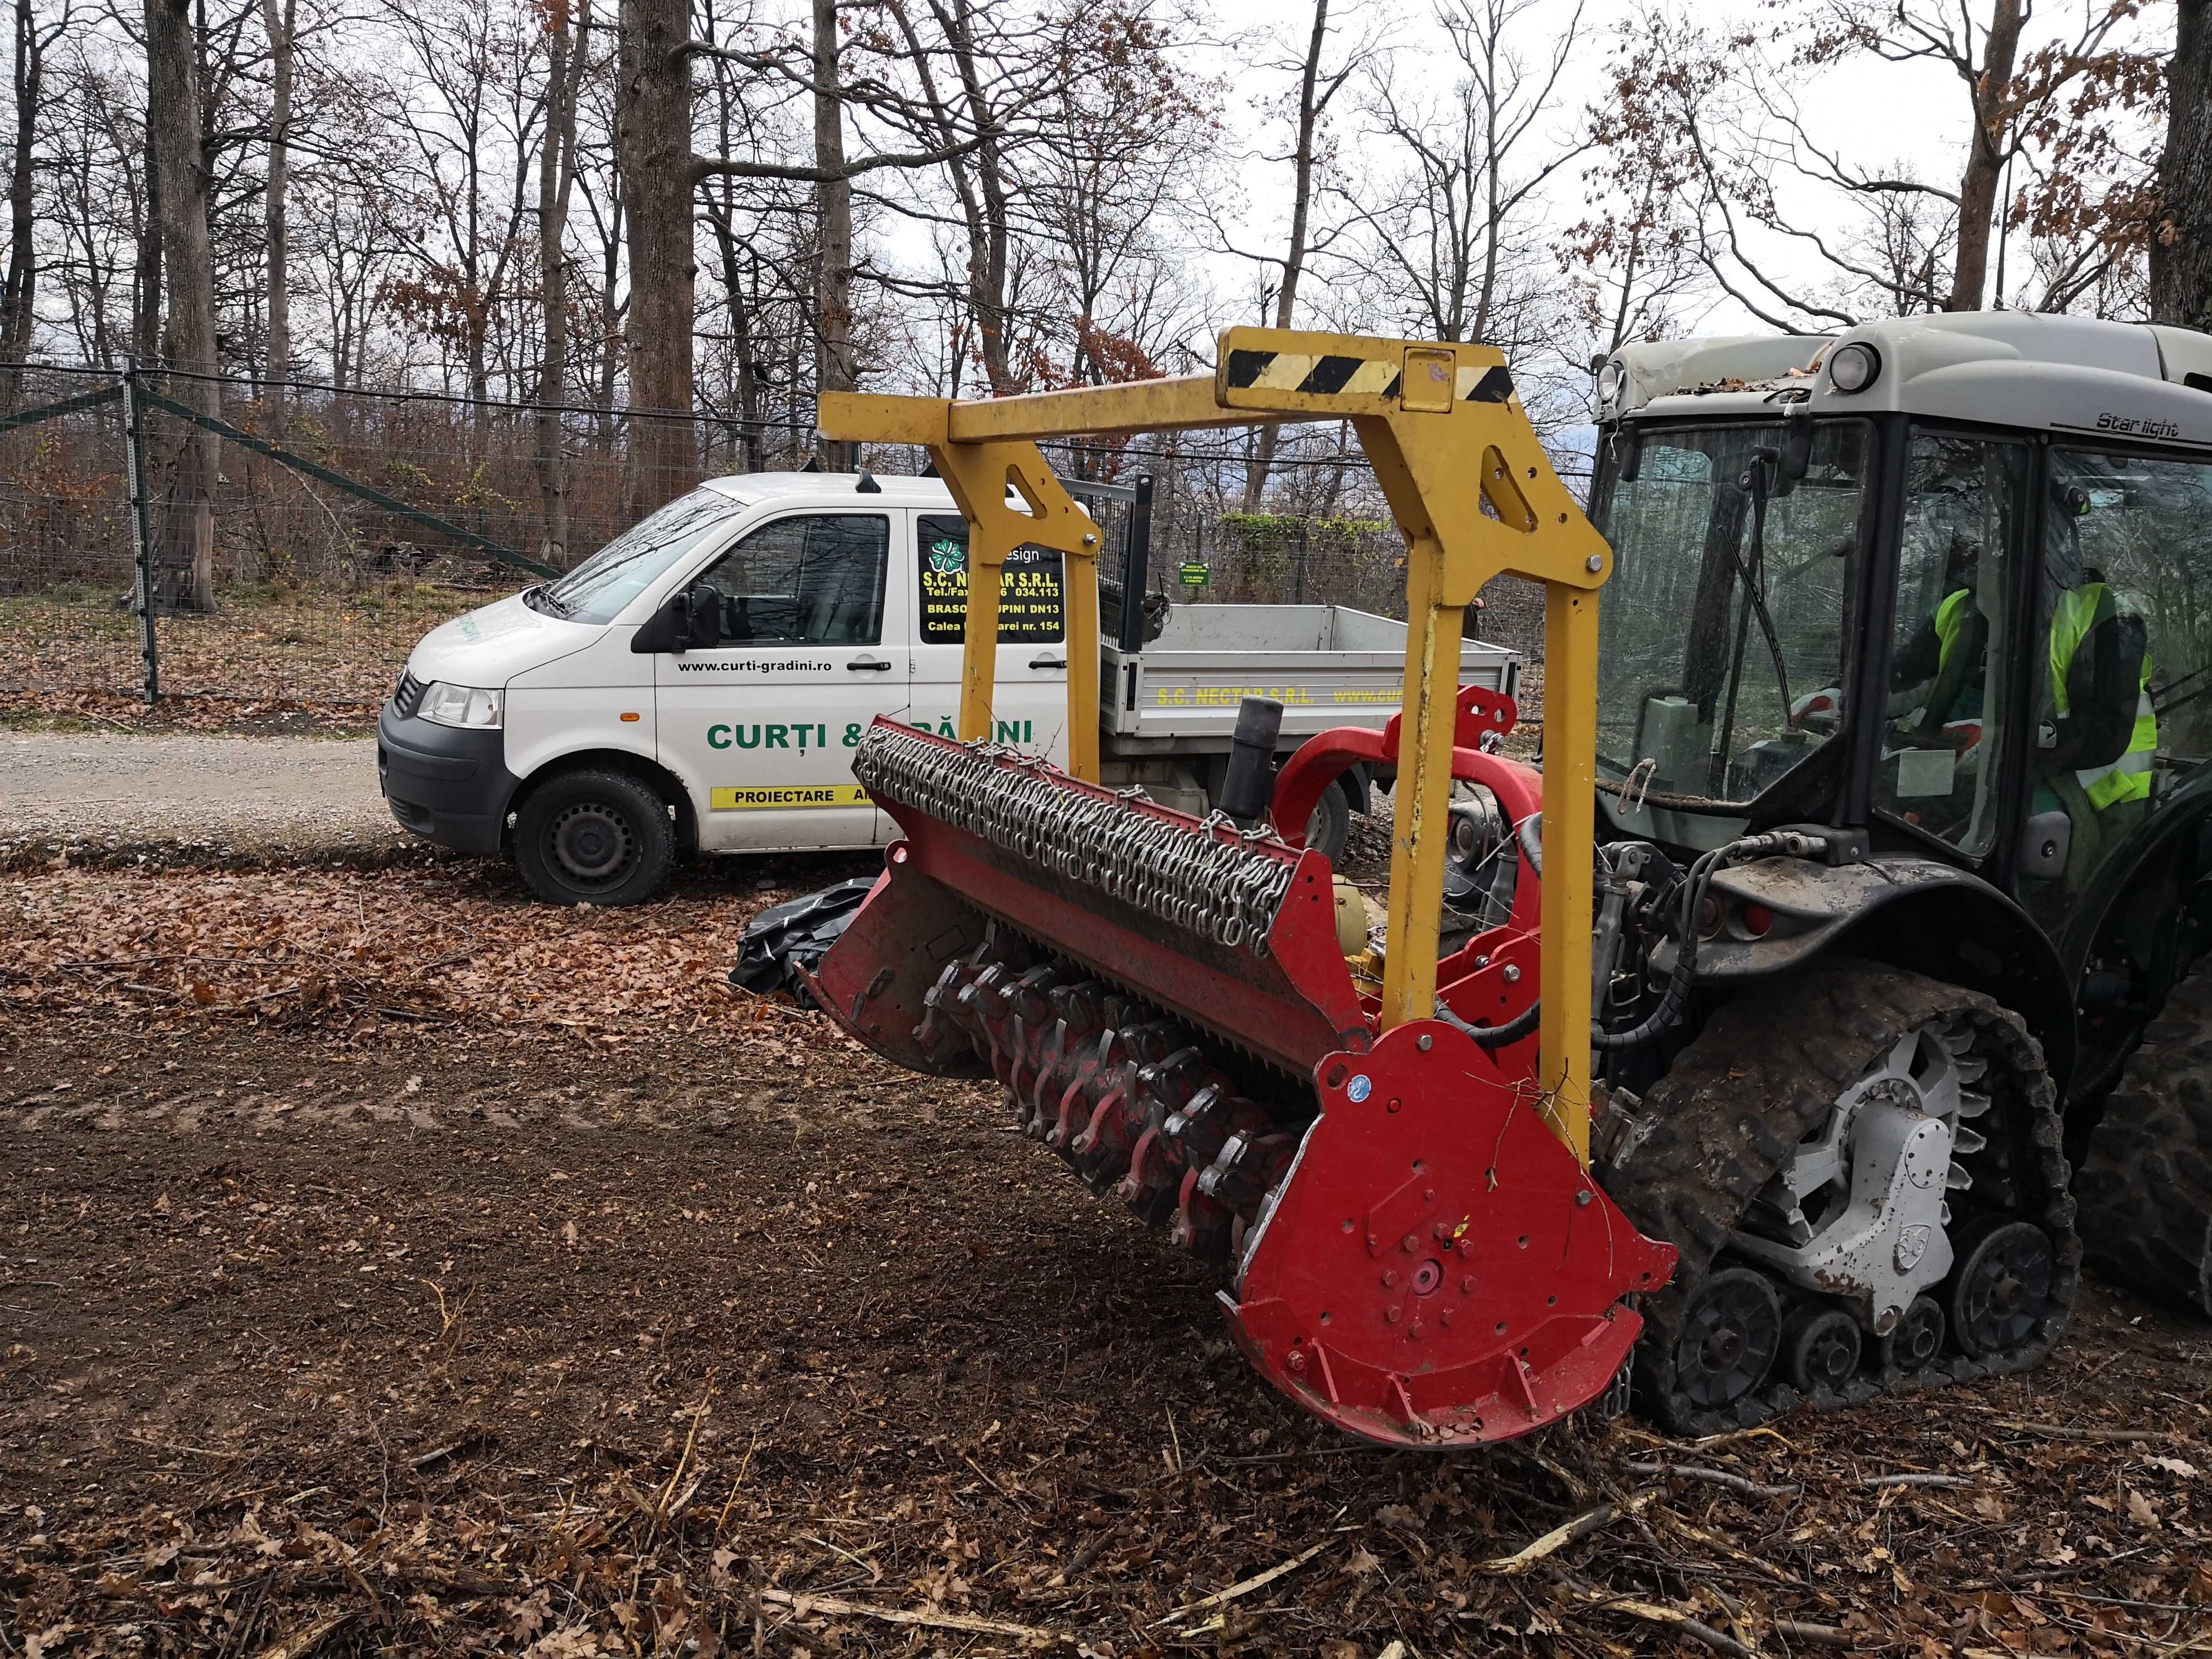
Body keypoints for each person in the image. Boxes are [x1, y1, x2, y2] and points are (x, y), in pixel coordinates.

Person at [2035, 537, 2156, 890]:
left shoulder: (2109, 613)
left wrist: (2034, 742)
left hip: (2116, 787)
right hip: (2071, 769)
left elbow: (2106, 728)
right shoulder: (2040, 609)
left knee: (2096, 894)